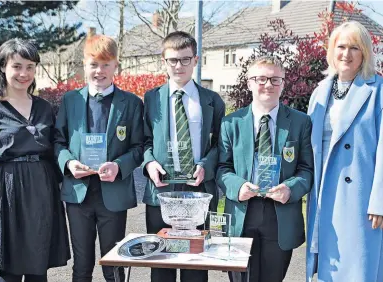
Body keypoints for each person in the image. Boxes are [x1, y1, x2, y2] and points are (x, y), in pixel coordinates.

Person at [0, 39, 70, 282]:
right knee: (9, 270)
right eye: (17, 66)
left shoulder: (45, 107)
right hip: (7, 194)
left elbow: (56, 149)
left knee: (38, 268)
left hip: (42, 193)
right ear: (3, 67)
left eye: (30, 66)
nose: (24, 73)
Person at [54, 34, 144, 282]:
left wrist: (119, 165)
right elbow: (57, 142)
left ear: (116, 65)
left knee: (113, 264)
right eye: (94, 64)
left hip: (113, 194)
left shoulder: (132, 103)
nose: (99, 71)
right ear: (84, 65)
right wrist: (69, 163)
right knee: (81, 266)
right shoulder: (70, 100)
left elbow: (138, 147)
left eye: (106, 64)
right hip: (79, 194)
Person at [216, 56, 314, 282]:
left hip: (279, 217)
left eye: (274, 79)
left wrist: (290, 189)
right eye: (260, 79)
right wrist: (238, 186)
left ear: (283, 82)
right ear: (249, 83)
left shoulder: (300, 122)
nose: (268, 84)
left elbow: (307, 169)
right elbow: (222, 167)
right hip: (242, 213)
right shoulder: (231, 123)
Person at [142, 31, 225, 282]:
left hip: (197, 189)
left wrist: (205, 166)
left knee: (195, 262)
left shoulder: (211, 100)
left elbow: (221, 144)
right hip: (162, 188)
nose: (179, 66)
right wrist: (149, 163)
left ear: (196, 60)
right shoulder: (151, 99)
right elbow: (143, 141)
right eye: (172, 60)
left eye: (185, 59)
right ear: (164, 61)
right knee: (162, 261)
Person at [306, 21, 383, 282]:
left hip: (361, 198)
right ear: (331, 50)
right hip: (323, 193)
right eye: (341, 46)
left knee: (359, 269)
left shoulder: (378, 91)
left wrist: (379, 199)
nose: (346, 54)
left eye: (354, 47)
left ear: (365, 53)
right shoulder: (319, 91)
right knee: (331, 266)